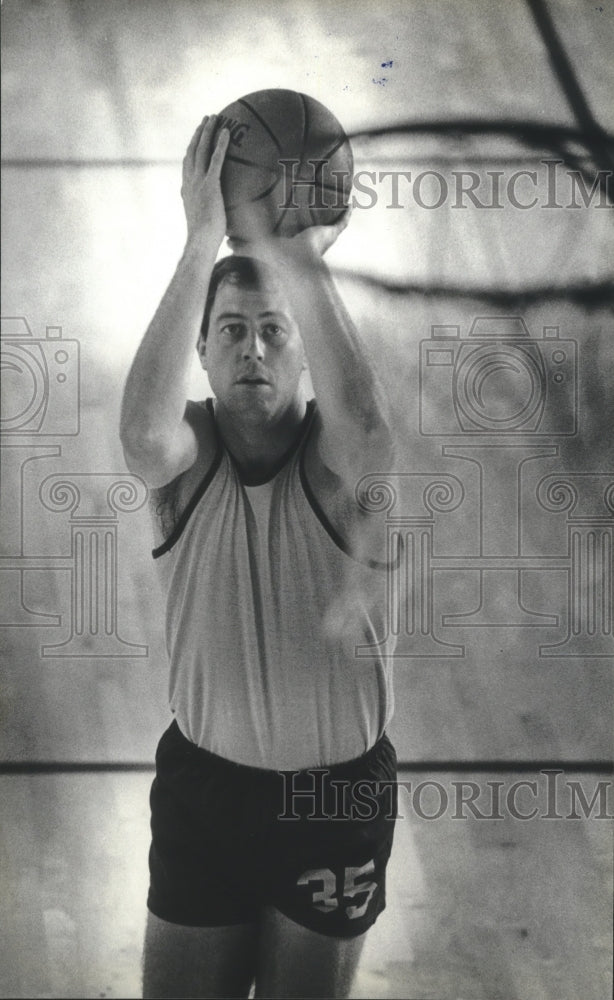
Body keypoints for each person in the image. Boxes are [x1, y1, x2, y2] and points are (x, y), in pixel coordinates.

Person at [120, 114, 399, 999]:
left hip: (337, 800)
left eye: (275, 330)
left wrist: (304, 259)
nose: (252, 348)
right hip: (205, 789)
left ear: (306, 352)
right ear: (201, 353)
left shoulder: (332, 460)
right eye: (231, 330)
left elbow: (367, 431)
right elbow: (139, 435)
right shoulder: (190, 454)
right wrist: (202, 238)